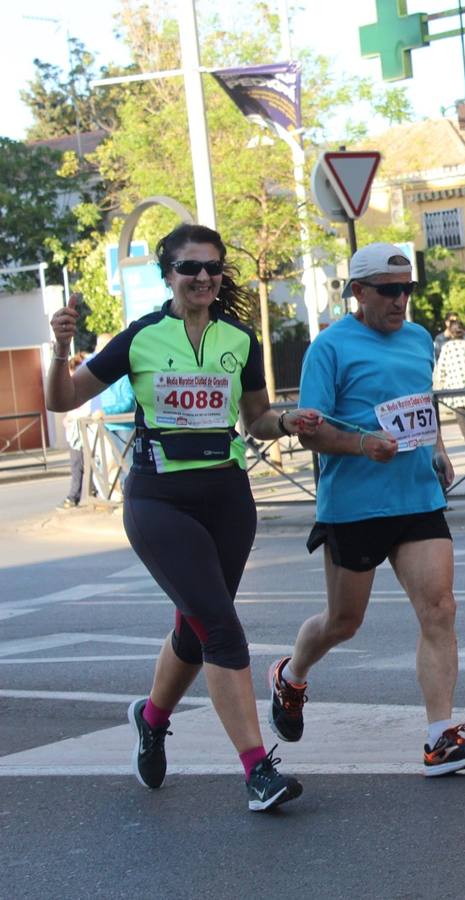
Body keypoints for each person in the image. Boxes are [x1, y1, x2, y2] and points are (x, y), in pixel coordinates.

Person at [44, 224, 320, 811]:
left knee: (195, 633)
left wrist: (288, 422)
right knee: (221, 628)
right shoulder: (141, 336)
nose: (203, 278)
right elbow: (63, 400)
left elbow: (255, 419)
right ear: (168, 274)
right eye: (190, 268)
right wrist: (60, 352)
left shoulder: (239, 338)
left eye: (213, 268)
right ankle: (257, 772)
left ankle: (150, 717)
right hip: (158, 499)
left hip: (227, 497)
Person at [269, 242, 465, 778]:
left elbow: (419, 404)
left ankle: (439, 739)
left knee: (440, 609)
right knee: (343, 623)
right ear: (357, 292)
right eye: (389, 291)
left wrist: (438, 448)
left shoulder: (420, 339)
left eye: (407, 290)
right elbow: (310, 432)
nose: (401, 301)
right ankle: (291, 674)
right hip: (354, 504)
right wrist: (361, 445)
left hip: (416, 496)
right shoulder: (328, 348)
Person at [434, 319, 465, 461]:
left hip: (454, 388)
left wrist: (439, 385)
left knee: (461, 419)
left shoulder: (447, 347)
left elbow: (441, 368)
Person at [60, 353, 90, 508]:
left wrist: (73, 417)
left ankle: (75, 496)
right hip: (75, 431)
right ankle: (74, 495)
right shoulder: (74, 384)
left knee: (90, 463)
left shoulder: (86, 384)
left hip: (86, 428)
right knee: (77, 464)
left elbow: (87, 407)